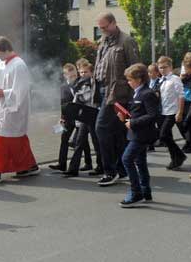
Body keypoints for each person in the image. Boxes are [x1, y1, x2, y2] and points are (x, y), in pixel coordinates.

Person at [0, 36, 40, 184]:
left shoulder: (18, 65)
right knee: (18, 140)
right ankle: (29, 166)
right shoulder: (2, 63)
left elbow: (22, 90)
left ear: (2, 50)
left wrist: (4, 93)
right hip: (3, 106)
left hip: (13, 108)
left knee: (0, 140)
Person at [92, 12, 140, 187]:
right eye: (100, 27)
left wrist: (135, 96)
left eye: (104, 27)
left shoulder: (126, 41)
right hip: (102, 91)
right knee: (117, 133)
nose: (102, 30)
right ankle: (122, 169)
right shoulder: (103, 42)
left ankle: (109, 171)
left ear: (113, 23)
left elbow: (136, 70)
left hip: (117, 94)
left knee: (101, 128)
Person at [117, 63, 160, 207]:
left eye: (130, 79)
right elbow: (137, 113)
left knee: (127, 159)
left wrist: (133, 123)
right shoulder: (137, 93)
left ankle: (136, 192)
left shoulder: (147, 94)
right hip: (136, 133)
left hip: (142, 134)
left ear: (139, 79)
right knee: (140, 163)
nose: (128, 83)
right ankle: (145, 192)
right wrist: (125, 118)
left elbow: (153, 115)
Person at [64, 60, 101, 176]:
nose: (83, 74)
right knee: (79, 142)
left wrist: (78, 94)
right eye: (81, 72)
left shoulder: (93, 83)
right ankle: (73, 169)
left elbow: (87, 97)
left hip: (93, 114)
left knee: (96, 142)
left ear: (91, 72)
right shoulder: (81, 83)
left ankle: (101, 166)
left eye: (85, 72)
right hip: (85, 116)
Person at [49, 63, 81, 173]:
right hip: (68, 118)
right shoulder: (63, 87)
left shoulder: (81, 84)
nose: (73, 78)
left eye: (75, 75)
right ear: (65, 75)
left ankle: (88, 162)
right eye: (70, 76)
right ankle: (62, 164)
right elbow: (62, 103)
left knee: (81, 142)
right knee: (64, 139)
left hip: (80, 117)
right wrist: (61, 118)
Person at [156, 56, 186, 170]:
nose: (162, 70)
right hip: (162, 111)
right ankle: (175, 158)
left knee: (163, 135)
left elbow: (181, 96)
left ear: (170, 67)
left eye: (165, 67)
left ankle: (179, 155)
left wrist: (180, 112)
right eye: (160, 68)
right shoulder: (160, 80)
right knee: (167, 136)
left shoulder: (175, 79)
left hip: (172, 112)